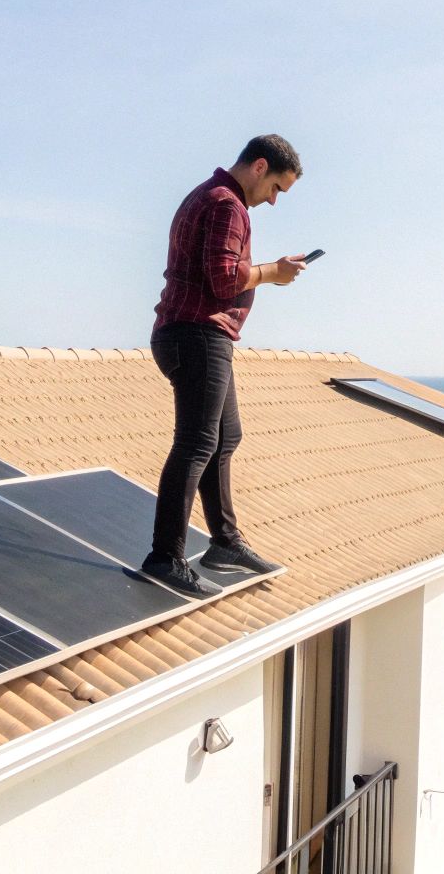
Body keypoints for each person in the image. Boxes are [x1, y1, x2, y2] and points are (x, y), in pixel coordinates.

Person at [143, 135, 307, 598]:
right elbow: (221, 280)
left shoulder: (210, 197)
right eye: (276, 188)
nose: (273, 200)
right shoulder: (226, 205)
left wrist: (268, 270)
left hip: (193, 333)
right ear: (259, 167)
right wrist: (272, 273)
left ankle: (225, 543)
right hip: (197, 333)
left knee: (224, 437)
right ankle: (165, 556)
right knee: (197, 442)